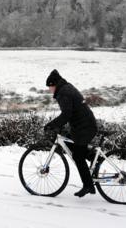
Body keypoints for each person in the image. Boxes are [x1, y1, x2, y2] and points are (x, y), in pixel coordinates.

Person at [43, 69, 98, 198]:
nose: (49, 90)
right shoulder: (66, 87)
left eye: (50, 87)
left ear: (54, 84)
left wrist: (51, 125)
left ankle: (88, 185)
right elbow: (70, 113)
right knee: (69, 140)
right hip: (84, 125)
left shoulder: (63, 93)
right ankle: (93, 156)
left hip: (85, 127)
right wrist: (59, 124)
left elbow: (66, 114)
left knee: (78, 156)